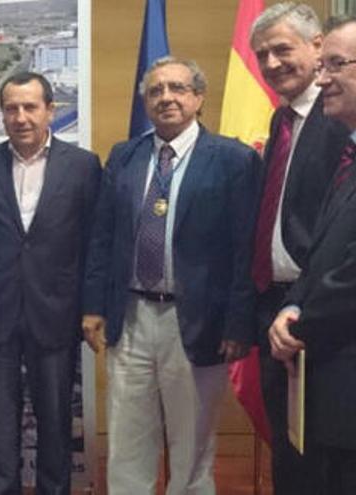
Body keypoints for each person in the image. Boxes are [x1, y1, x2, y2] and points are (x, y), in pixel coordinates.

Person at [82, 56, 261, 494]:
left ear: (199, 98)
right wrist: (92, 306)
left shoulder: (233, 160)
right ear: (145, 101)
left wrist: (239, 322)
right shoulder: (125, 156)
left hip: (198, 321)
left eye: (178, 88)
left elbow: (246, 250)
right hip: (132, 315)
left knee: (192, 444)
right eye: (156, 90)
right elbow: (102, 237)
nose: (166, 98)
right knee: (127, 438)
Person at [0, 71, 101, 495]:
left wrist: (89, 306)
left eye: (30, 107)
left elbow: (94, 240)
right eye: (11, 108)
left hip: (56, 312)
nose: (20, 117)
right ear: (1, 113)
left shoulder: (83, 166)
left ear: (50, 111)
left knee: (56, 421)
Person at [249, 4, 351, 493]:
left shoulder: (338, 118)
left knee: (319, 461)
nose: (270, 64)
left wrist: (303, 307)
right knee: (288, 450)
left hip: (325, 319)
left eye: (281, 50)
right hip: (278, 308)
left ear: (316, 47)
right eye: (261, 54)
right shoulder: (282, 120)